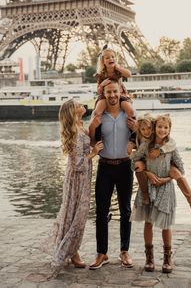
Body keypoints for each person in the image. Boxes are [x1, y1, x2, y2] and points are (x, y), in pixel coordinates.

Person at [130, 114, 191, 273]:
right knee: (148, 222)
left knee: (166, 225)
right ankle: (149, 258)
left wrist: (166, 179)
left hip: (165, 187)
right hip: (148, 186)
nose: (162, 130)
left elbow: (181, 169)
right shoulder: (146, 145)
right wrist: (147, 173)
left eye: (165, 127)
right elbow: (134, 162)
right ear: (155, 128)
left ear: (169, 129)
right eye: (159, 127)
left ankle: (167, 259)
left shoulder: (171, 147)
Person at [43, 99, 103, 278]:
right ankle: (72, 252)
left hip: (81, 178)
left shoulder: (80, 126)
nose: (82, 105)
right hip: (78, 179)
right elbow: (78, 164)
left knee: (74, 213)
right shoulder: (76, 131)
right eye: (78, 104)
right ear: (73, 112)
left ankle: (70, 250)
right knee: (76, 215)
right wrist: (94, 152)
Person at [89, 79, 135, 270]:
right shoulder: (99, 115)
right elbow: (91, 141)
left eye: (115, 92)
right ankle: (102, 253)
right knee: (101, 211)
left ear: (120, 91)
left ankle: (124, 251)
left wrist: (135, 136)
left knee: (126, 211)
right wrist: (93, 127)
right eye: (109, 92)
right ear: (104, 94)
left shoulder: (129, 114)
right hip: (105, 167)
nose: (112, 95)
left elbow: (142, 134)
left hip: (125, 166)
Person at [133, 113, 191, 211]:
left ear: (152, 127)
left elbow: (172, 144)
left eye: (149, 128)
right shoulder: (142, 141)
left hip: (165, 167)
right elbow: (135, 159)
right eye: (143, 129)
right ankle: (145, 194)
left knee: (176, 172)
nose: (147, 131)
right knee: (138, 165)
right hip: (147, 165)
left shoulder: (168, 141)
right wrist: (146, 172)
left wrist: (160, 151)